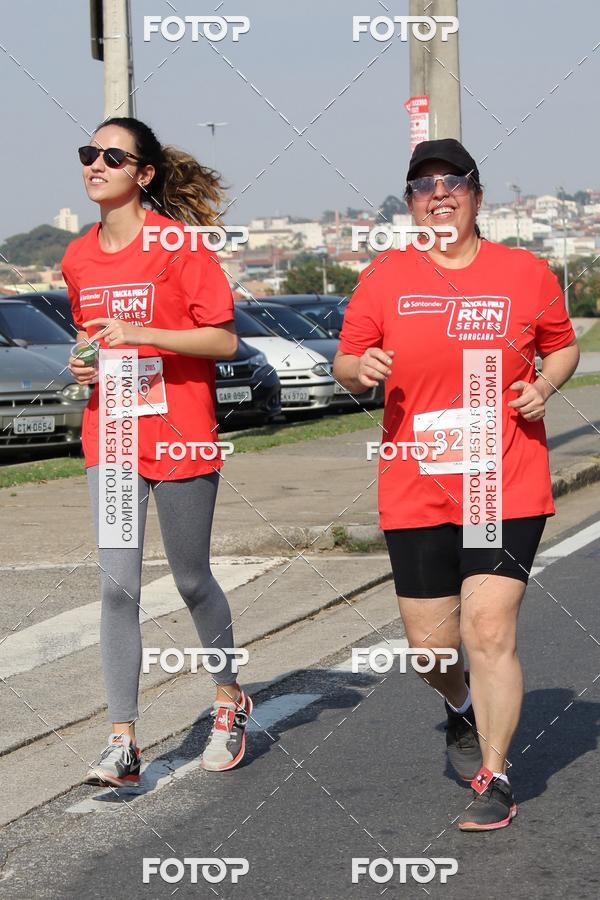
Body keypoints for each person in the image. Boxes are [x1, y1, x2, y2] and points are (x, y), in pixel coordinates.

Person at [334, 138, 580, 831]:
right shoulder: (385, 277)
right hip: (417, 485)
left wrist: (543, 387)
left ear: (477, 194)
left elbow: (562, 345)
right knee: (432, 650)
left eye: (453, 182)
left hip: (502, 478)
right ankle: (459, 704)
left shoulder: (524, 273)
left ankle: (495, 776)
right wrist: (361, 370)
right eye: (423, 185)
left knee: (489, 627)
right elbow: (346, 363)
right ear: (411, 204)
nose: (438, 194)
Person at [62, 116, 252, 786]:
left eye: (113, 157)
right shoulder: (77, 257)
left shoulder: (180, 246)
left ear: (143, 174)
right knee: (117, 586)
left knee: (191, 578)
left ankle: (229, 698)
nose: (96, 164)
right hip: (112, 435)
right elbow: (91, 337)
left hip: (180, 431)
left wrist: (143, 333)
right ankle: (123, 741)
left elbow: (223, 340)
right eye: (90, 153)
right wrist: (83, 363)